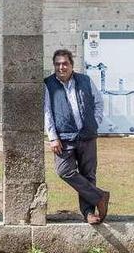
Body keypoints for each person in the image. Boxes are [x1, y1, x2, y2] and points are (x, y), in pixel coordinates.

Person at [43, 48, 110, 224]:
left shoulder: (85, 80)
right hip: (64, 137)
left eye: (65, 63)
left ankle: (89, 213)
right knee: (63, 170)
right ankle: (100, 196)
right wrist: (52, 136)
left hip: (88, 135)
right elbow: (47, 112)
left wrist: (94, 122)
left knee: (89, 175)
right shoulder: (48, 84)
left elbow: (98, 102)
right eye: (57, 64)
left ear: (72, 65)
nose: (61, 67)